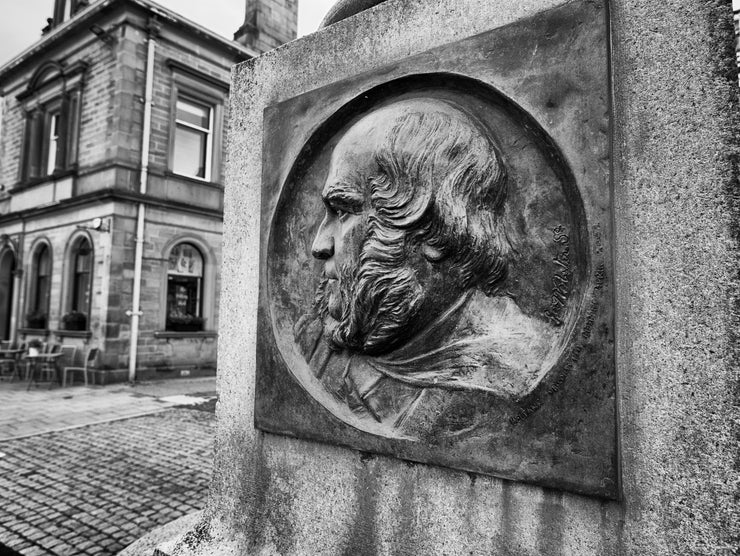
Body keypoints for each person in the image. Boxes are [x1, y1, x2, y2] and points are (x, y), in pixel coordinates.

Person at [294, 98, 556, 436]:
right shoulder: (312, 338)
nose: (319, 245)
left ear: (434, 230)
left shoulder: (515, 369)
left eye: (343, 212)